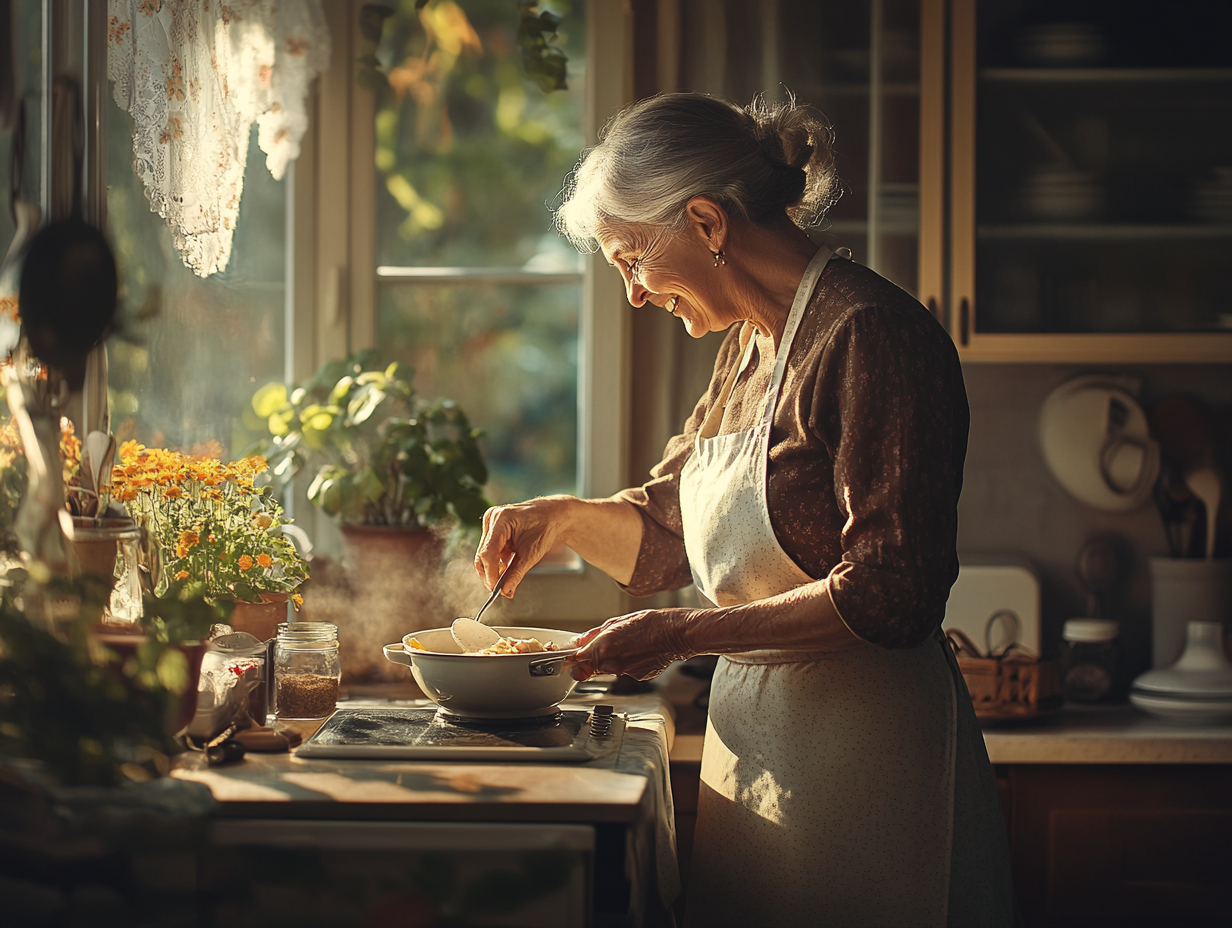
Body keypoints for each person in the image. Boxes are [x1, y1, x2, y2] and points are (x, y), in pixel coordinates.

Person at [474, 92, 1014, 928]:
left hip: (869, 763)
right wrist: (563, 517)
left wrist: (680, 633)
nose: (635, 295)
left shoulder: (872, 336)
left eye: (631, 260)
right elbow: (667, 538)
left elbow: (892, 594)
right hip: (756, 754)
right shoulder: (747, 349)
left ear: (706, 222)